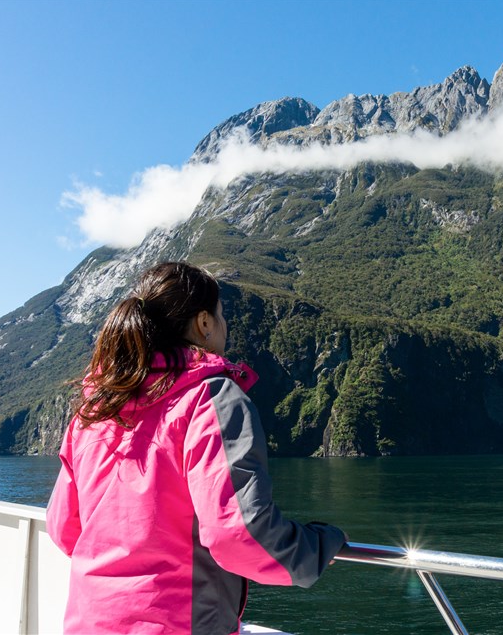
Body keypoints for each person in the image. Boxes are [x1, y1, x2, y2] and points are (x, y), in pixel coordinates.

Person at [47, 261, 346, 634]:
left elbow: (64, 530)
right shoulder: (209, 398)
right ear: (204, 323)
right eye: (221, 315)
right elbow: (238, 534)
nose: (225, 325)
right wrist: (317, 545)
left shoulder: (95, 409)